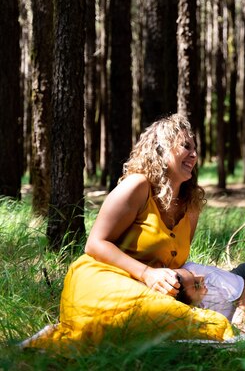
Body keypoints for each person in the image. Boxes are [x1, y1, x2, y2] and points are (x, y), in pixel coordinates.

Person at [22, 114, 232, 351]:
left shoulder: (191, 205)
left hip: (144, 290)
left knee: (164, 321)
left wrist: (182, 284)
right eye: (185, 146)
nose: (194, 155)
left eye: (195, 149)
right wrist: (146, 273)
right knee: (174, 320)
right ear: (161, 149)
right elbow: (94, 244)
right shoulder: (137, 186)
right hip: (101, 280)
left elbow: (171, 264)